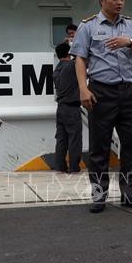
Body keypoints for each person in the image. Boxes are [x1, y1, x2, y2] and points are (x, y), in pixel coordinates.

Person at [70, 0, 132, 213]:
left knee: (130, 146)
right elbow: (80, 58)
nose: (119, 3)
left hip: (127, 92)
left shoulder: (131, 26)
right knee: (99, 148)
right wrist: (83, 89)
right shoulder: (88, 27)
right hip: (100, 92)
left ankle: (129, 194)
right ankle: (99, 196)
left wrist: (130, 42)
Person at [53, 41, 83, 173]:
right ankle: (74, 167)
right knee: (74, 139)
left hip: (60, 108)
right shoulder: (71, 65)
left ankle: (60, 166)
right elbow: (82, 58)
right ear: (68, 53)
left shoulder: (57, 69)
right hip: (72, 108)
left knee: (61, 139)